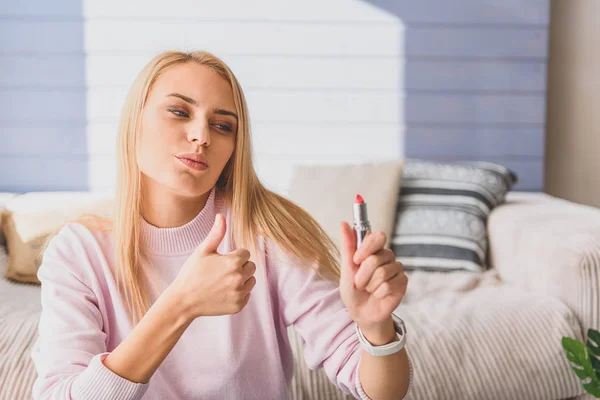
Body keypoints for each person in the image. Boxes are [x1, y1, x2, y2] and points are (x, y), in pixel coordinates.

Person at [31, 50, 412, 400]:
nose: (201, 137)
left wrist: (377, 331)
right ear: (134, 121)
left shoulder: (267, 232)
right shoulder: (78, 251)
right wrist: (180, 305)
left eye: (222, 126)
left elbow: (381, 390)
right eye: (179, 112)